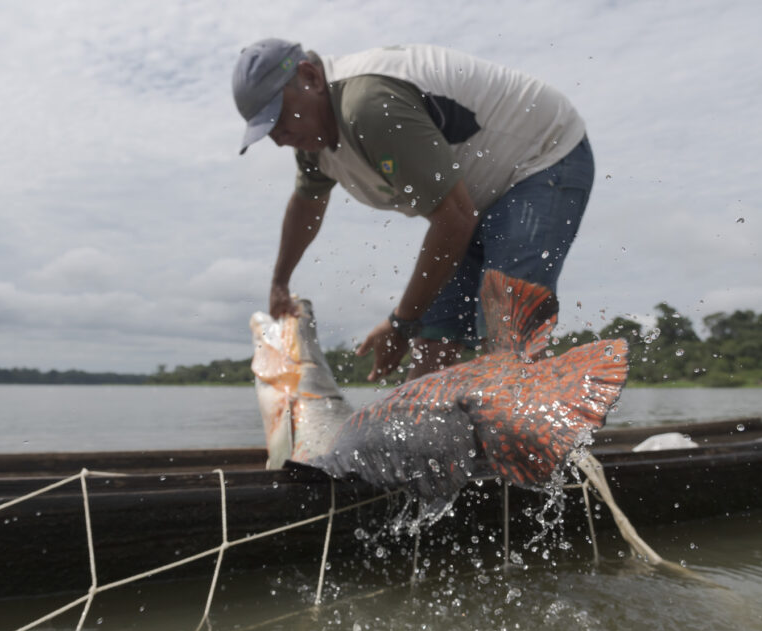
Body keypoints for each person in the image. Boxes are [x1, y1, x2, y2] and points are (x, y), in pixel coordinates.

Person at [232, 39, 594, 381]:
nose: (279, 139)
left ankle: (547, 436)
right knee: (431, 349)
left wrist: (401, 322)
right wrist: (280, 282)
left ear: (310, 77)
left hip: (541, 156)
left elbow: (453, 219)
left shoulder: (369, 107)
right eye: (268, 131)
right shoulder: (311, 142)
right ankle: (433, 445)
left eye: (279, 118)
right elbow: (306, 205)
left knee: (506, 329)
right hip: (471, 200)